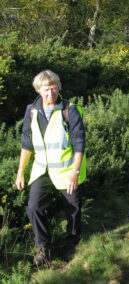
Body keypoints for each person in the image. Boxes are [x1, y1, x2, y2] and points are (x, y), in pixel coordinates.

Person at [15, 70, 86, 266]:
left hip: (66, 170)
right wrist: (20, 172)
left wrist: (75, 172)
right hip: (42, 169)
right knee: (34, 206)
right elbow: (27, 142)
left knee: (72, 207)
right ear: (39, 90)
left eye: (54, 87)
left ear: (59, 87)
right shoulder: (31, 110)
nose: (51, 92)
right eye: (46, 89)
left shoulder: (69, 110)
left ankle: (72, 242)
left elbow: (79, 143)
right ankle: (43, 247)